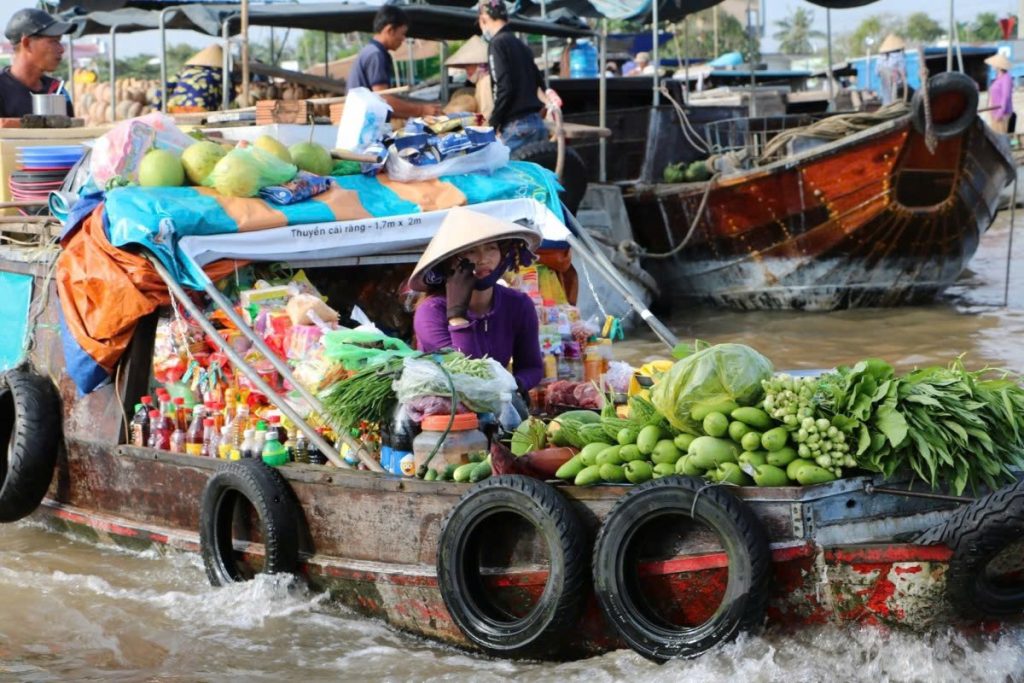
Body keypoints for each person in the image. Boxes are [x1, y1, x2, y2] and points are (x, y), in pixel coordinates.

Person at [410, 207, 544, 393]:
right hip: (446, 412)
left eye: (491, 248)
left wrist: (515, 384)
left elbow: (532, 367)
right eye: (471, 252)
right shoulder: (430, 311)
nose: (483, 259)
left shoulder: (518, 305)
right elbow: (466, 375)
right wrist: (457, 316)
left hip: (496, 404)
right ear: (451, 261)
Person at [477, 0, 548, 153]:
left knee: (500, 172)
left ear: (484, 19)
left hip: (517, 126)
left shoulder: (497, 44)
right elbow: (540, 84)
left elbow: (503, 87)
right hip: (537, 123)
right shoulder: (521, 44)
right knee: (535, 175)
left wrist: (494, 124)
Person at [348, 4, 441, 118]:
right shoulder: (375, 55)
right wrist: (421, 110)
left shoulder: (372, 51)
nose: (403, 39)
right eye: (402, 33)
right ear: (390, 30)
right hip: (364, 125)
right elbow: (382, 98)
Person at [1, 8, 74, 118]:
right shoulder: (2, 89)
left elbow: (70, 132)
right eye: (54, 41)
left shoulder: (57, 90)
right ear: (27, 43)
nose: (61, 49)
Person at [442, 35, 493, 119]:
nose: (466, 70)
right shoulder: (481, 81)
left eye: (469, 65)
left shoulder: (486, 81)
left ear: (479, 64)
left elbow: (486, 114)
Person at [165, 45, 225, 113]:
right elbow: (227, 96)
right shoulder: (219, 75)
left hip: (174, 109)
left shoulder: (185, 72)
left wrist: (156, 108)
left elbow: (165, 86)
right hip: (199, 110)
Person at [985, 53, 1015, 134]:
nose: (993, 65)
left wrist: (999, 114)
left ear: (999, 66)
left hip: (1001, 114)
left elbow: (1006, 97)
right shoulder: (999, 77)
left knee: (1000, 138)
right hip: (994, 112)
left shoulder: (1006, 78)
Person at [875, 34, 907, 106]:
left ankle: (887, 108)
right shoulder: (900, 56)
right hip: (896, 83)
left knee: (886, 98)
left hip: (885, 84)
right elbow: (904, 73)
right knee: (896, 99)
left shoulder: (879, 58)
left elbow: (877, 73)